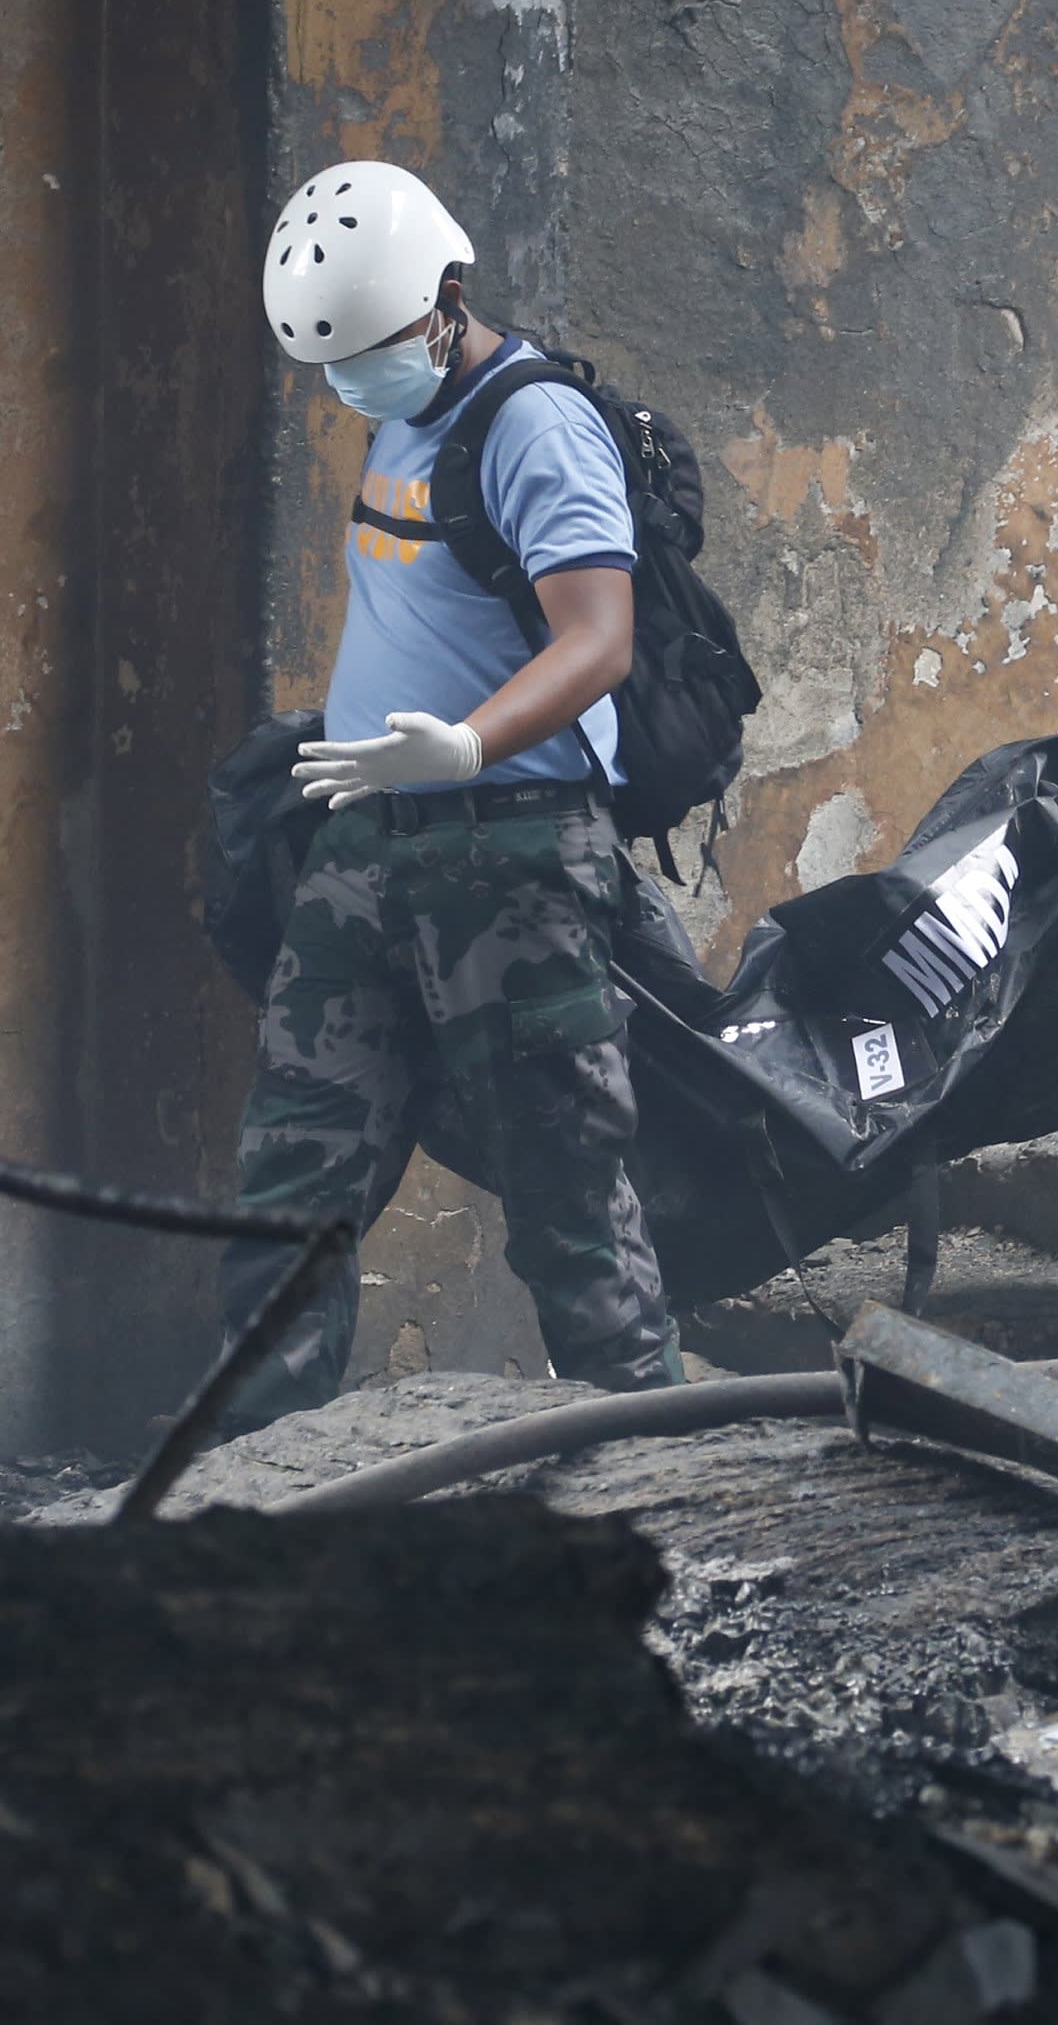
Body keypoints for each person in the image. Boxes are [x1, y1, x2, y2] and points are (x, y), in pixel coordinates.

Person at [214, 158, 684, 1424]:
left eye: (371, 346)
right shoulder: (401, 405)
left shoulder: (533, 424)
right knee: (289, 1181)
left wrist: (468, 745)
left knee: (566, 1195)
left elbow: (597, 637)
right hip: (366, 844)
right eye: (334, 360)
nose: (352, 379)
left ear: (447, 296)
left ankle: (658, 1471)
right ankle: (255, 1486)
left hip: (513, 860)